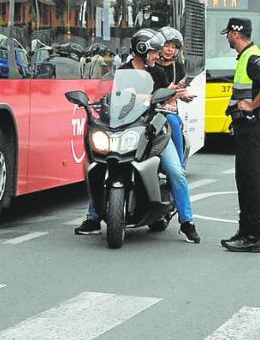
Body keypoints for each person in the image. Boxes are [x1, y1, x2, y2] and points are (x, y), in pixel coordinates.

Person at [75, 28, 201, 244]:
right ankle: (93, 218)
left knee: (175, 171)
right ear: (142, 51)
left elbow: (166, 100)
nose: (157, 56)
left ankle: (187, 222)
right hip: (127, 129)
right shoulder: (121, 72)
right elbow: (113, 99)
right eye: (153, 52)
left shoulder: (159, 73)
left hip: (155, 131)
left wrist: (167, 101)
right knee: (102, 165)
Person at [220, 17, 260, 254]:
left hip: (253, 125)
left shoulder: (252, 57)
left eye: (228, 33)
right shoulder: (247, 56)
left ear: (235, 34)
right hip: (247, 127)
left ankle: (252, 236)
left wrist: (252, 106)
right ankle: (245, 232)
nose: (227, 37)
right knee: (244, 180)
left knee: (251, 181)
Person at [157, 27, 195, 165]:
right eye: (166, 45)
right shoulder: (150, 65)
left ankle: (179, 164)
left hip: (168, 111)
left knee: (174, 123)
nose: (169, 50)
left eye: (173, 47)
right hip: (148, 109)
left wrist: (185, 95)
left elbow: (180, 88)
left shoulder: (178, 67)